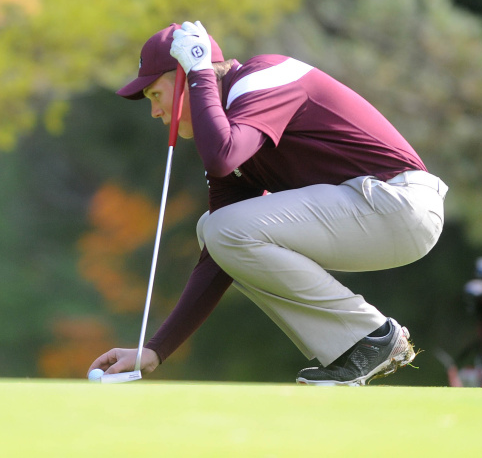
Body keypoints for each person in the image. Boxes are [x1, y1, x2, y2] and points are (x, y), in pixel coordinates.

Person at [89, 21, 447, 385]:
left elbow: (222, 157)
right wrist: (156, 350)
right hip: (381, 213)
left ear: (184, 77)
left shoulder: (261, 77)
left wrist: (199, 75)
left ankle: (369, 337)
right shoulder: (236, 126)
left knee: (221, 227)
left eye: (155, 95)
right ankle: (361, 345)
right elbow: (219, 252)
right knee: (214, 230)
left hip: (401, 202)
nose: (154, 112)